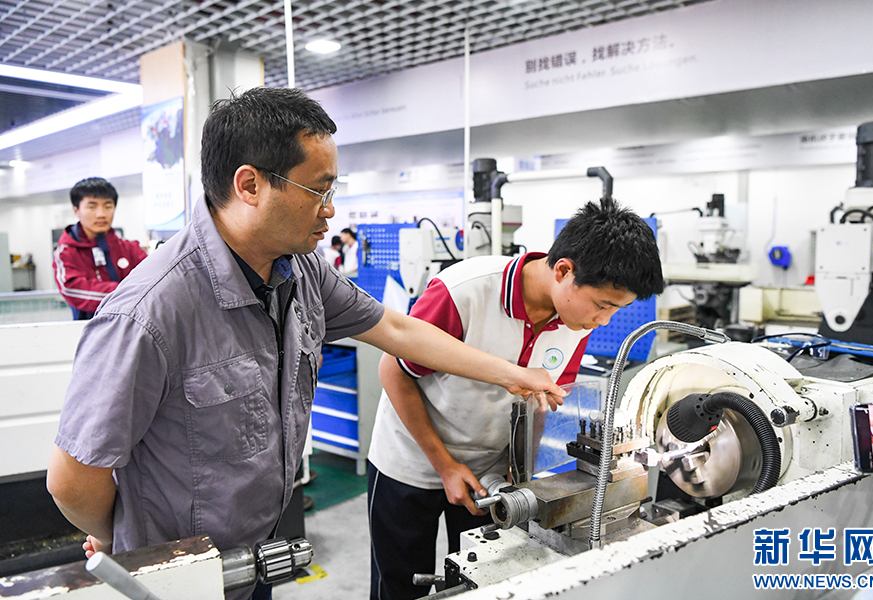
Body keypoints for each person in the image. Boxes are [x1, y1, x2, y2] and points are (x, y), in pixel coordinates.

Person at [45, 87, 564, 600]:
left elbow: (398, 330)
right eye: (320, 191)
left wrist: (515, 375)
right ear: (250, 185)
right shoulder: (150, 313)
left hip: (253, 560)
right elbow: (72, 479)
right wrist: (124, 541)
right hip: (174, 579)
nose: (330, 211)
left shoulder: (301, 271)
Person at [367, 198, 665, 600]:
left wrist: (518, 471)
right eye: (602, 305)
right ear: (564, 271)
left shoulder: (576, 321)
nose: (603, 321)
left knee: (477, 578)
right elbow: (394, 371)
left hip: (487, 474)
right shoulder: (465, 291)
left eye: (616, 310)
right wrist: (444, 465)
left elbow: (541, 401)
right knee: (401, 585)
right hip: (411, 460)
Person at [52, 177, 147, 319]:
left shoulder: (129, 249)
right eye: (92, 207)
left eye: (108, 206)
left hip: (132, 327)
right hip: (88, 328)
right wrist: (129, 293)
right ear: (76, 210)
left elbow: (153, 281)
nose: (101, 214)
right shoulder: (66, 252)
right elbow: (72, 289)